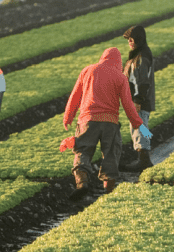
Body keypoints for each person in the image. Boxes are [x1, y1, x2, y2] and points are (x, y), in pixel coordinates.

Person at [63, 47, 153, 201]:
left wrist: (68, 116)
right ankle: (108, 190)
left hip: (87, 120)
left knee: (82, 151)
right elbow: (128, 105)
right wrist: (139, 125)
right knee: (111, 154)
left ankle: (82, 182)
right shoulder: (120, 77)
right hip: (110, 123)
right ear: (118, 61)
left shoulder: (87, 71)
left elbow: (75, 96)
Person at [120, 25, 156, 172]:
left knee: (139, 128)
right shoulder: (139, 54)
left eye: (131, 39)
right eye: (128, 39)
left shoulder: (141, 57)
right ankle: (146, 156)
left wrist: (138, 101)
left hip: (139, 100)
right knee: (143, 127)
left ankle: (143, 161)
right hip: (139, 99)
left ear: (138, 40)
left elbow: (142, 81)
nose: (129, 42)